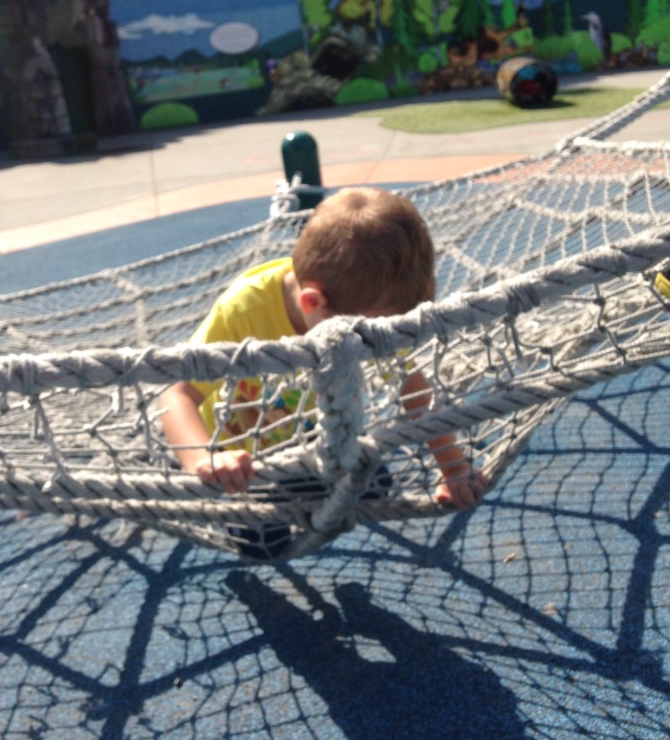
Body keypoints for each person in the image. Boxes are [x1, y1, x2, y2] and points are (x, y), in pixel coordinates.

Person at [162, 187, 486, 511]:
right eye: (365, 339)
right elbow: (177, 394)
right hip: (238, 456)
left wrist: (453, 468)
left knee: (372, 487)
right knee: (260, 531)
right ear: (312, 303)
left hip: (311, 442)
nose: (373, 347)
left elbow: (414, 391)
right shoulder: (243, 309)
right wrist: (203, 459)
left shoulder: (372, 315)